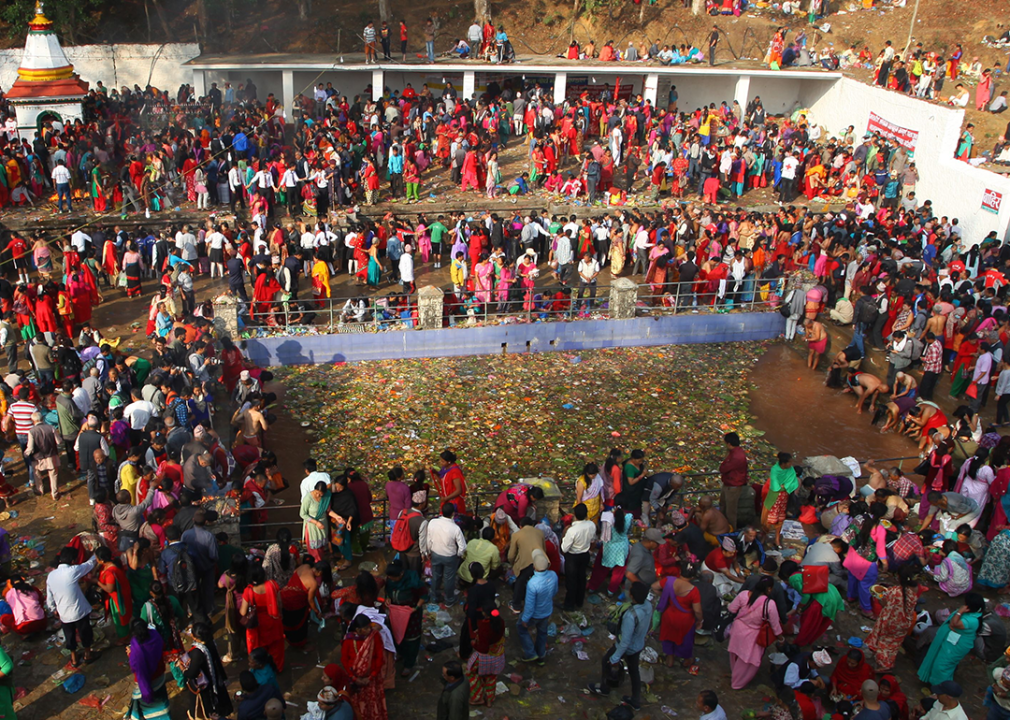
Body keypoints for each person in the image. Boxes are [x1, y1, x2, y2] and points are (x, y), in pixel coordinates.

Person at [586, 581, 653, 710]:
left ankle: (604, 688)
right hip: (638, 644)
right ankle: (635, 700)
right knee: (634, 672)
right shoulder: (648, 606)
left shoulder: (630, 616)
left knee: (607, 660)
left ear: (632, 596)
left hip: (628, 646)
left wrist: (615, 658)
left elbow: (625, 641)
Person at [725, 576, 782, 689]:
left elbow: (732, 609)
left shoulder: (744, 595)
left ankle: (734, 673)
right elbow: (775, 625)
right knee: (747, 660)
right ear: (769, 589)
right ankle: (737, 682)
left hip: (738, 629)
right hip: (753, 634)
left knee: (735, 653)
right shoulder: (769, 604)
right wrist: (781, 637)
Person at [46, 548, 98, 667]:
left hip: (64, 614)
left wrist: (53, 609)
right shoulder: (72, 571)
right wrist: (95, 554)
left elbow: (49, 597)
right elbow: (89, 565)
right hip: (79, 611)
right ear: (73, 561)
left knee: (70, 636)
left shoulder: (51, 576)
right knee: (85, 633)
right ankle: (87, 655)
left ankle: (74, 659)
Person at [918, 592, 984, 685]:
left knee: (942, 666)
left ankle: (941, 688)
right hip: (950, 641)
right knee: (937, 660)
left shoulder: (972, 620)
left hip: (956, 646)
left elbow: (954, 624)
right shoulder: (970, 614)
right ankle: (933, 681)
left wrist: (959, 612)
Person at [180, 622, 233, 719]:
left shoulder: (197, 652)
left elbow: (192, 673)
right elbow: (217, 660)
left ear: (194, 637)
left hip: (205, 687)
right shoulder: (210, 643)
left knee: (206, 710)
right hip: (215, 680)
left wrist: (183, 669)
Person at [341, 613, 388, 720]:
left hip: (371, 679)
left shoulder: (374, 636)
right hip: (355, 680)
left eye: (369, 627)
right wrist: (354, 678)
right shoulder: (348, 640)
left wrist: (371, 676)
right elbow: (344, 660)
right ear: (358, 629)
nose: (369, 630)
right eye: (366, 628)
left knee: (372, 702)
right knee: (357, 705)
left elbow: (379, 658)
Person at [657, 561, 703, 668]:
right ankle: (685, 658)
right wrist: (700, 620)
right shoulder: (694, 591)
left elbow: (654, 587)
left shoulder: (669, 581)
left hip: (669, 615)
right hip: (685, 619)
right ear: (692, 577)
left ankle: (670, 658)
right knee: (684, 639)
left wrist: (664, 595)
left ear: (680, 571)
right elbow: (697, 611)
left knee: (668, 636)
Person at [240, 565, 285, 672]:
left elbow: (242, 611)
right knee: (276, 649)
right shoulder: (273, 585)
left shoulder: (248, 591)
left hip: (257, 625)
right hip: (273, 620)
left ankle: (259, 670)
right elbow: (279, 603)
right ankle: (277, 668)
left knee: (258, 649)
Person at [517, 549, 557, 665]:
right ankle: (541, 656)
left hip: (535, 614)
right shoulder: (553, 575)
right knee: (542, 633)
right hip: (547, 611)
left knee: (521, 628)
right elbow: (554, 592)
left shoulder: (533, 583)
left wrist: (525, 618)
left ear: (535, 567)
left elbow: (530, 605)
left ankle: (530, 653)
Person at [126, 619, 170, 720]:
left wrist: (130, 653)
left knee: (149, 707)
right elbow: (162, 647)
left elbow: (135, 666)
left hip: (148, 681)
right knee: (161, 700)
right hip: (160, 676)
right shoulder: (155, 635)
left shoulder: (136, 649)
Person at [465, 600, 505, 707]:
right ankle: (489, 700)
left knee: (471, 673)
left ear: (485, 614)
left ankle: (477, 698)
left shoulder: (484, 626)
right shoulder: (500, 621)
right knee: (491, 677)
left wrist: (474, 644)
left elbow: (483, 649)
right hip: (498, 655)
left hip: (485, 657)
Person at [425, 501, 467, 606]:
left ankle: (435, 597)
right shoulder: (455, 528)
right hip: (450, 556)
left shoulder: (433, 522)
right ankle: (449, 600)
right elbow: (463, 547)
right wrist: (459, 554)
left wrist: (428, 551)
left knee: (436, 576)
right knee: (449, 578)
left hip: (435, 553)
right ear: (453, 513)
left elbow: (429, 539)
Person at [561, 503, 596, 610]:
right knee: (581, 578)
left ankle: (569, 605)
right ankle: (579, 601)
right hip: (584, 555)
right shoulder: (591, 525)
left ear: (574, 515)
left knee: (571, 581)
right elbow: (593, 540)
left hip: (573, 557)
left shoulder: (572, 530)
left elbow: (564, 548)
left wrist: (563, 534)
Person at [764, 452, 797, 547]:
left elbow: (791, 483)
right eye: (789, 462)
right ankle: (765, 536)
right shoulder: (775, 470)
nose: (791, 464)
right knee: (769, 519)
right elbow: (775, 486)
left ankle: (777, 539)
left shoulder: (790, 471)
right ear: (784, 463)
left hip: (784, 499)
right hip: (774, 498)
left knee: (780, 519)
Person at [719, 432, 749, 529]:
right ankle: (722, 525)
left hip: (733, 486)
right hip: (728, 484)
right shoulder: (737, 452)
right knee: (723, 506)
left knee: (730, 511)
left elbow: (723, 469)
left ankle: (732, 530)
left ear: (728, 444)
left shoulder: (736, 457)